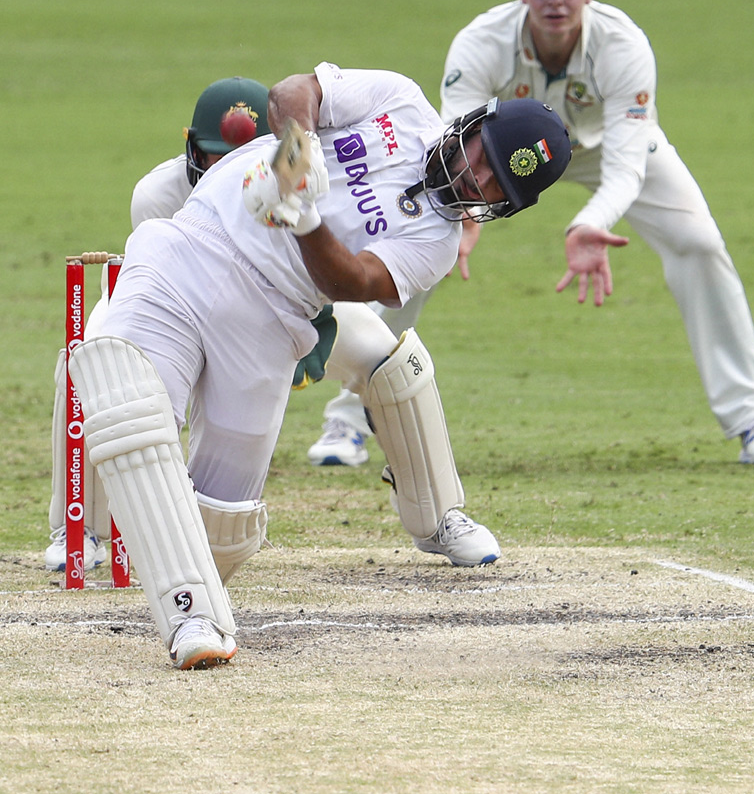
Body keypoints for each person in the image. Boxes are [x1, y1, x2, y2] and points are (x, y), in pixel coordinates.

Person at [67, 61, 571, 669]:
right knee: (129, 399)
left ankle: (199, 601)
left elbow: (355, 280)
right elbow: (290, 94)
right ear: (472, 125)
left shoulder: (435, 246)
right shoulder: (402, 102)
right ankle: (187, 616)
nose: (475, 177)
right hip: (196, 249)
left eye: (495, 189)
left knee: (228, 517)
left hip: (270, 321)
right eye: (482, 155)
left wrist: (304, 218)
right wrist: (301, 161)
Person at [308, 0, 754, 468]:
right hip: (493, 160)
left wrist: (588, 223)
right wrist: (460, 220)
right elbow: (453, 138)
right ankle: (346, 422)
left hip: (607, 146)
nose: (556, 0)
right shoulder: (482, 41)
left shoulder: (624, 45)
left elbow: (629, 164)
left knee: (699, 242)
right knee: (415, 258)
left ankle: (753, 416)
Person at [45, 77, 270, 573]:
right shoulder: (158, 193)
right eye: (214, 155)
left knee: (385, 358)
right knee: (83, 363)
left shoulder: (290, 193)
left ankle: (440, 517)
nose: (224, 169)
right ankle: (76, 527)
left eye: (241, 157)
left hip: (256, 316)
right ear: (190, 144)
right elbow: (158, 283)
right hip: (159, 302)